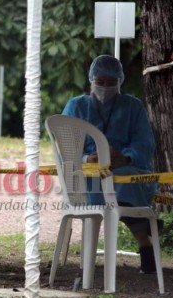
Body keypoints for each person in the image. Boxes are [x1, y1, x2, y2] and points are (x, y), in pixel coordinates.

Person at [62, 54, 159, 274]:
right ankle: (144, 237)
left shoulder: (133, 107)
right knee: (110, 189)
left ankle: (144, 239)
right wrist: (88, 158)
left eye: (111, 82)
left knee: (126, 183)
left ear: (120, 81)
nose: (105, 87)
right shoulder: (76, 106)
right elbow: (65, 148)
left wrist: (124, 157)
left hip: (124, 170)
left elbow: (145, 144)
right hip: (86, 178)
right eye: (100, 82)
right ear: (91, 81)